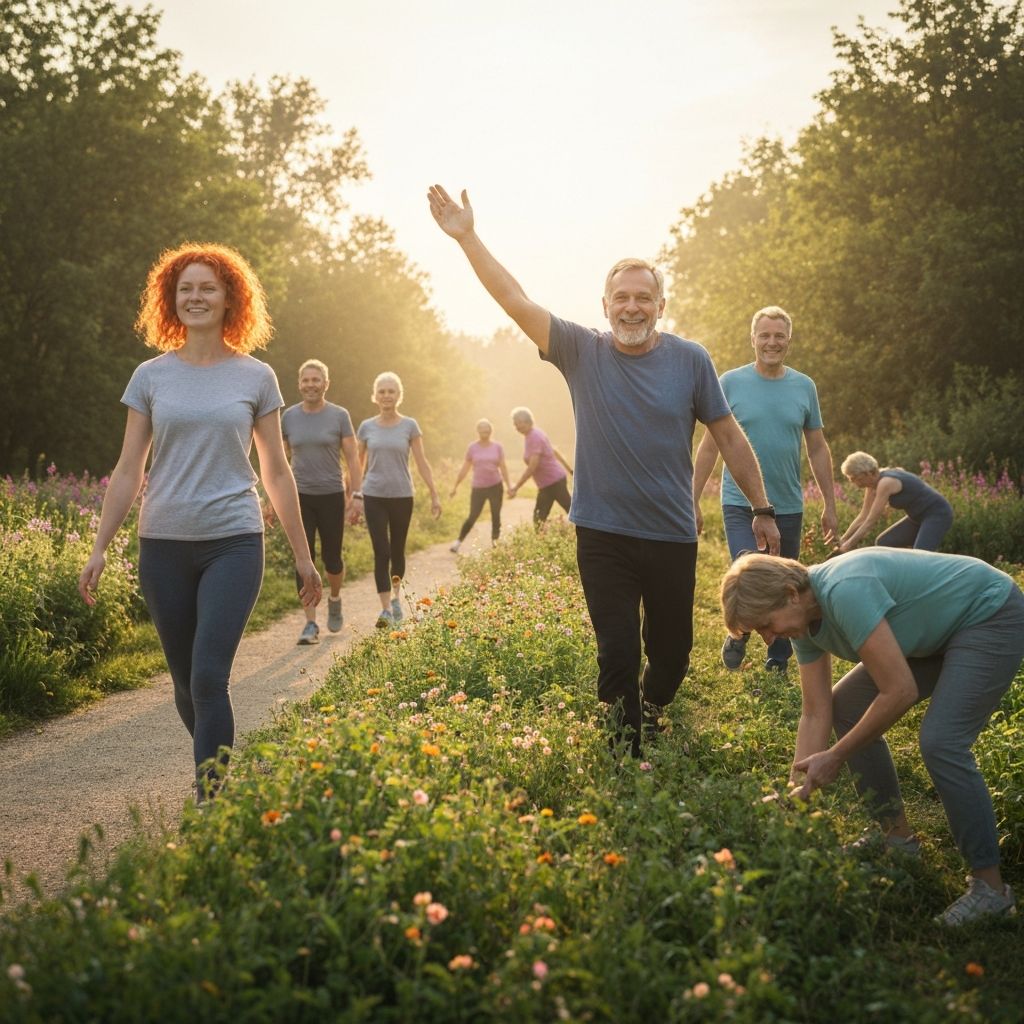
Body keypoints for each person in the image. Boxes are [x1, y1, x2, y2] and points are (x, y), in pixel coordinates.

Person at [428, 184, 780, 756]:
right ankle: (623, 754)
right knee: (616, 649)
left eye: (644, 297)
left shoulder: (690, 359)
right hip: (603, 533)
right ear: (606, 305)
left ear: (661, 305)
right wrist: (467, 237)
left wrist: (761, 507)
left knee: (671, 654)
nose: (633, 307)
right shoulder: (579, 350)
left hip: (670, 533)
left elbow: (728, 436)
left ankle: (654, 702)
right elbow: (514, 300)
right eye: (622, 297)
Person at [77, 242, 320, 798]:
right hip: (162, 543)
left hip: (233, 542)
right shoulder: (150, 376)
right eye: (185, 287)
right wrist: (99, 547)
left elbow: (277, 473)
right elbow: (126, 469)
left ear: (229, 296)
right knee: (186, 682)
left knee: (209, 676)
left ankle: (210, 803)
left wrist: (302, 557)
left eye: (207, 286)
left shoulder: (256, 377)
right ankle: (223, 769)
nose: (196, 296)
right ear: (171, 298)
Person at [720, 548, 1024, 926]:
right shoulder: (803, 621)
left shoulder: (844, 591)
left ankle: (990, 889)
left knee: (941, 742)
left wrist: (836, 756)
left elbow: (899, 691)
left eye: (766, 624)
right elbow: (817, 711)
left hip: (987, 612)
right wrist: (796, 791)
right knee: (845, 704)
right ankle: (897, 841)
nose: (768, 639)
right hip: (937, 628)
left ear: (790, 593)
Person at [693, 305, 838, 673]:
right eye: (765, 335)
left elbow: (818, 448)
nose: (771, 342)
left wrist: (830, 504)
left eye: (779, 336)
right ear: (752, 339)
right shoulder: (730, 383)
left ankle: (778, 657)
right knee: (746, 569)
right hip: (739, 501)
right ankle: (739, 631)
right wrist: (690, 500)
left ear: (788, 340)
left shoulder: (804, 386)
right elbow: (711, 446)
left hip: (788, 503)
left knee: (787, 583)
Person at [275, 359, 364, 645]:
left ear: (326, 383)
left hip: (331, 495)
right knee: (304, 558)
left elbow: (352, 457)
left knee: (332, 558)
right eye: (306, 380)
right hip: (299, 496)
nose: (311, 385)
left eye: (316, 380)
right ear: (299, 384)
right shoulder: (288, 417)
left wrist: (357, 495)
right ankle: (310, 623)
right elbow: (280, 460)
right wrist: (272, 498)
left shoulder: (339, 416)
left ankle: (335, 598)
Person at [357, 371, 441, 628]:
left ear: (398, 395)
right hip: (374, 495)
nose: (386, 396)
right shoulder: (366, 427)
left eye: (391, 391)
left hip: (403, 495)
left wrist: (434, 494)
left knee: (397, 551)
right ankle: (385, 610)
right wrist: (354, 497)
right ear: (375, 396)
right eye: (381, 391)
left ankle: (396, 598)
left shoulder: (410, 426)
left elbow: (422, 462)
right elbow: (356, 466)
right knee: (380, 551)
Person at [838, 451, 953, 553]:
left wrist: (849, 545)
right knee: (884, 542)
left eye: (854, 478)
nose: (853, 482)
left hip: (937, 514)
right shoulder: (872, 484)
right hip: (916, 517)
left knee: (919, 556)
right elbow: (864, 515)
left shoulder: (886, 483)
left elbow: (870, 521)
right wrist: (844, 539)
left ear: (867, 473)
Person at [449, 418, 511, 552]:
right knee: (473, 515)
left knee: (496, 514)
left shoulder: (497, 447)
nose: (485, 433)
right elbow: (465, 468)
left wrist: (509, 485)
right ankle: (458, 542)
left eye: (487, 430)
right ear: (478, 431)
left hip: (495, 486)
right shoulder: (472, 447)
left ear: (491, 431)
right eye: (482, 430)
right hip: (478, 487)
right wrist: (455, 486)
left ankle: (495, 542)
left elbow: (503, 467)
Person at [507, 406, 573, 526]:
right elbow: (553, 450)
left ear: (527, 421)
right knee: (567, 511)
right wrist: (569, 469)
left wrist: (516, 487)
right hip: (550, 482)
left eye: (519, 423)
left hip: (553, 482)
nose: (517, 427)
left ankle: (592, 532)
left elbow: (532, 467)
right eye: (515, 424)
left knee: (542, 518)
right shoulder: (533, 434)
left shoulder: (534, 436)